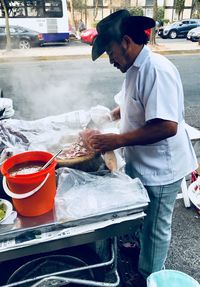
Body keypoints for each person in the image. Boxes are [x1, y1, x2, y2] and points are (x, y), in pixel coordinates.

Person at [83, 9, 198, 287]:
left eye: (110, 52)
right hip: (143, 161)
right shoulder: (133, 68)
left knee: (156, 229)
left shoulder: (156, 70)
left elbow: (166, 126)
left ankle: (150, 276)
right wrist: (109, 117)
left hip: (162, 168)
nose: (110, 60)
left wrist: (116, 140)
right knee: (143, 217)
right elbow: (131, 103)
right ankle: (139, 252)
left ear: (125, 41)